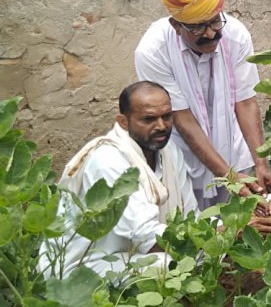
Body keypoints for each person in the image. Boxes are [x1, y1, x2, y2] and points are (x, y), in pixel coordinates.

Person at [135, 0, 271, 208]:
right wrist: (228, 176)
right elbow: (183, 118)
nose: (211, 33)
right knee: (195, 229)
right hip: (183, 154)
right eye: (198, 27)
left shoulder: (236, 35)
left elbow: (245, 101)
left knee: (242, 225)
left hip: (232, 146)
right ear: (176, 26)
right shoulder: (153, 51)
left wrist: (261, 163)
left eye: (214, 22)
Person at [39, 82, 200, 278]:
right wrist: (205, 237)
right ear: (124, 122)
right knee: (167, 265)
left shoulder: (170, 152)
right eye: (149, 119)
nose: (161, 126)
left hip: (131, 255)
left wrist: (230, 228)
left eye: (166, 116)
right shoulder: (108, 160)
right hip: (85, 264)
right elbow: (145, 235)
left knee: (206, 252)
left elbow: (192, 217)